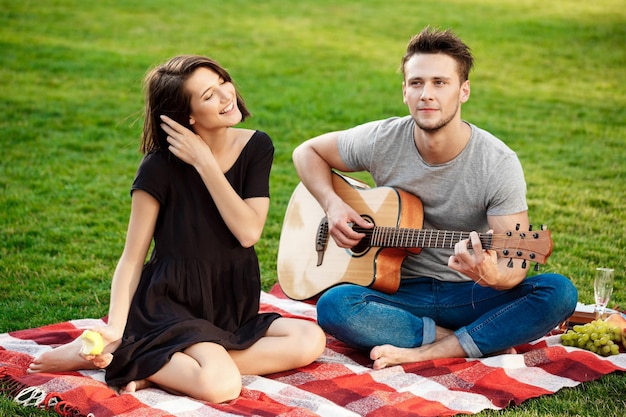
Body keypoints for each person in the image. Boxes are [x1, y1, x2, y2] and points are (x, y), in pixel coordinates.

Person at [28, 55, 326, 403]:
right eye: (208, 95)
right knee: (221, 386)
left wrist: (204, 161)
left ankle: (152, 363)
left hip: (230, 301)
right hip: (172, 302)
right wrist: (115, 326)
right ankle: (129, 352)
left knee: (311, 339)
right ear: (187, 116)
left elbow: (248, 231)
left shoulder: (256, 146)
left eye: (222, 82)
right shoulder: (158, 167)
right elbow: (131, 259)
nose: (226, 95)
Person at [292, 26, 577, 370]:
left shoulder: (497, 163)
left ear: (464, 91)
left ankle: (429, 348)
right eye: (417, 83)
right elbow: (306, 152)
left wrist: (490, 275)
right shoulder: (383, 138)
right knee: (334, 306)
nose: (426, 94)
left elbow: (515, 263)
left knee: (558, 292)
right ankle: (469, 339)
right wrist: (333, 205)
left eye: (440, 83)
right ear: (404, 91)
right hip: (399, 293)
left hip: (469, 294)